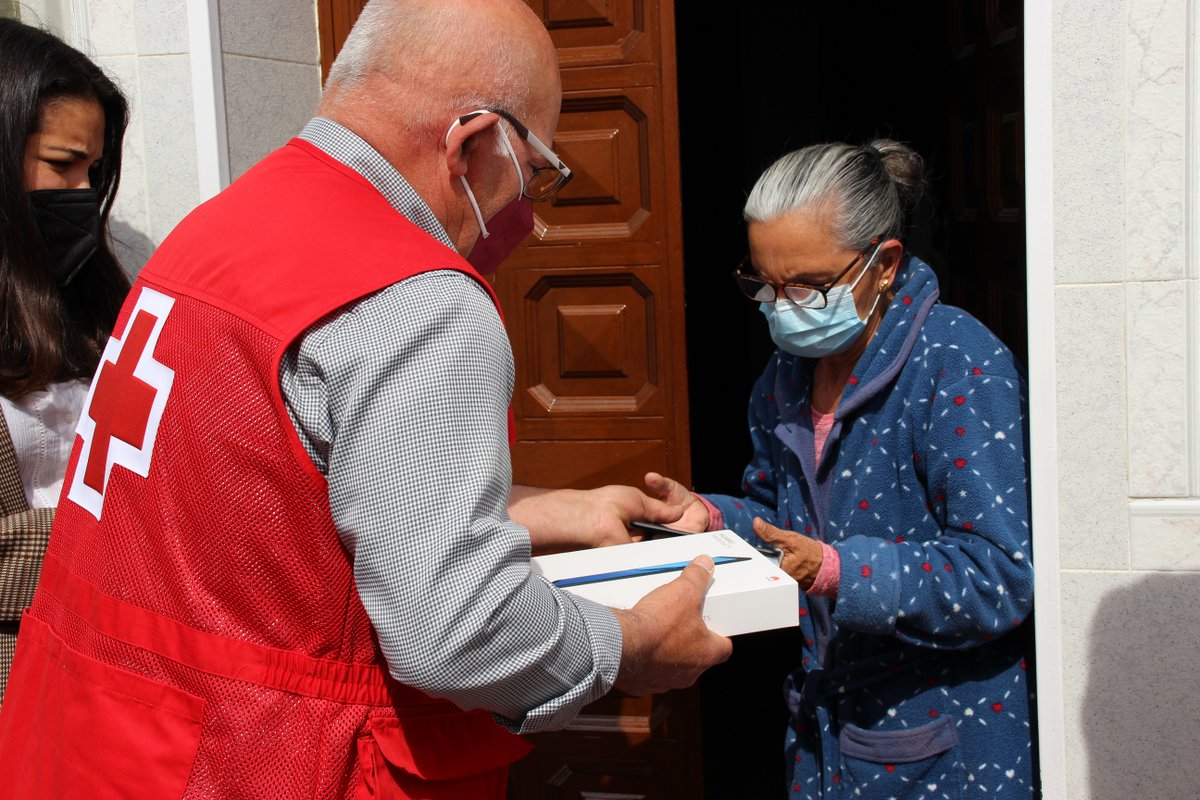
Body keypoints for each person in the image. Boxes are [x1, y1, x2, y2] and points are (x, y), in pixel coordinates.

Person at [0, 1, 730, 797]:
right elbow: (460, 633)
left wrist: (557, 511)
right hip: (263, 760)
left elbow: (267, 497)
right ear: (474, 141)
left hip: (103, 739)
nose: (531, 209)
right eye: (538, 169)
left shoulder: (213, 230)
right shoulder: (415, 297)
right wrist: (630, 644)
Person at [654, 140, 1035, 798]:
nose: (781, 306)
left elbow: (998, 575)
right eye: (763, 284)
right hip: (824, 736)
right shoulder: (785, 378)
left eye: (806, 285)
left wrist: (837, 570)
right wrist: (713, 517)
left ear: (884, 264)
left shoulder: (957, 363)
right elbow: (781, 523)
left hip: (940, 746)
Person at [0, 18, 130, 701]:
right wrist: (109, 543)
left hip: (106, 676)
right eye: (60, 164)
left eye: (93, 170)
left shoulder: (95, 292)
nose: (82, 193)